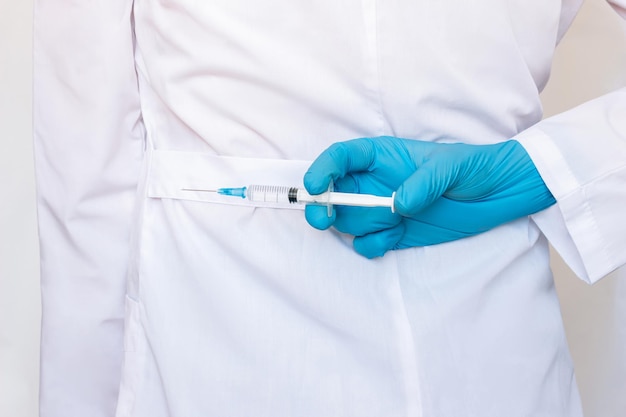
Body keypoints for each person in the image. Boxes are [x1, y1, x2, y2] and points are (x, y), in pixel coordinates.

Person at [34, 1, 626, 416]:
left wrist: (552, 168)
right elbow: (87, 179)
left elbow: (85, 186)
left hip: (487, 352)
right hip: (214, 339)